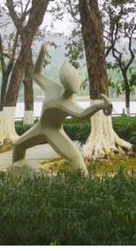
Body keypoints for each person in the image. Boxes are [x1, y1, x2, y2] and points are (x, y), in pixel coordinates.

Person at [11, 43, 112, 176]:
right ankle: (17, 173)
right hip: (40, 128)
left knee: (76, 158)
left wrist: (99, 106)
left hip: (54, 133)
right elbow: (36, 74)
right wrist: (42, 53)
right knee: (18, 146)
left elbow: (82, 115)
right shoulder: (53, 88)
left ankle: (84, 184)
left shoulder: (68, 103)